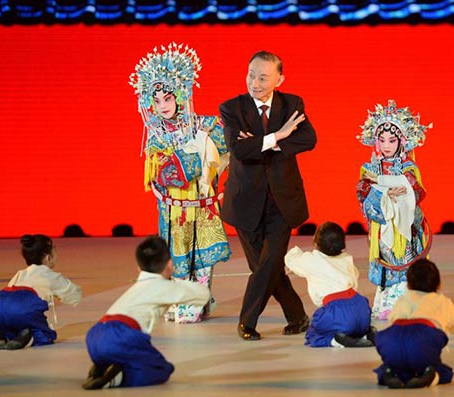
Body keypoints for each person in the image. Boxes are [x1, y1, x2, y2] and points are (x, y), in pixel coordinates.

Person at [129, 42, 231, 323]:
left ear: (181, 96)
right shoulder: (155, 135)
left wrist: (212, 163)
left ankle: (196, 303)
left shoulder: (205, 124)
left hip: (200, 202)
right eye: (157, 100)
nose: (163, 106)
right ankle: (184, 301)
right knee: (178, 255)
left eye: (168, 99)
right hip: (173, 208)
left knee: (202, 257)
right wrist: (194, 156)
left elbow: (228, 147)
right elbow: (162, 174)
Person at [219, 50, 317, 340]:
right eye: (251, 75)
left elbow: (308, 139)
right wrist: (279, 136)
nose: (255, 83)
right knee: (265, 267)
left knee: (270, 260)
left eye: (263, 77)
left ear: (279, 79)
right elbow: (239, 150)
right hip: (245, 200)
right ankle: (298, 317)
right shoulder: (232, 108)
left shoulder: (292, 104)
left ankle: (246, 322)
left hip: (282, 200)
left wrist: (264, 144)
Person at [82, 235, 210, 390]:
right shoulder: (165, 286)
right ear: (169, 264)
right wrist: (174, 280)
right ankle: (118, 377)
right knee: (161, 369)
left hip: (95, 336)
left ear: (138, 268)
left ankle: (103, 367)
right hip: (121, 336)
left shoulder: (137, 286)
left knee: (132, 355)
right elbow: (203, 294)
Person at [356, 100, 432, 320]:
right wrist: (381, 194)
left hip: (404, 227)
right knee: (386, 260)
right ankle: (386, 302)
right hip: (381, 226)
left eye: (392, 140)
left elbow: (417, 191)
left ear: (401, 141)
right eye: (382, 140)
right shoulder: (369, 168)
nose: (386, 145)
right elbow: (362, 191)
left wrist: (398, 188)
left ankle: (404, 303)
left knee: (403, 260)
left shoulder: (409, 167)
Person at [374, 258, 454, 389]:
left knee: (391, 365)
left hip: (393, 341)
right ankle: (431, 376)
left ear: (408, 285)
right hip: (422, 343)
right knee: (444, 371)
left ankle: (388, 374)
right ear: (438, 284)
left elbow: (393, 320)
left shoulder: (403, 299)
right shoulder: (441, 301)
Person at [285, 222, 375, 348]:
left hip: (337, 311)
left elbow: (291, 259)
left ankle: (336, 341)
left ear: (316, 242)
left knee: (313, 332)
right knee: (351, 324)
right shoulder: (347, 259)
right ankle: (365, 333)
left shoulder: (311, 260)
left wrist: (295, 261)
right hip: (361, 308)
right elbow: (354, 281)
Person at [0, 234, 82, 349]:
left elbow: (10, 296)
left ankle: (2, 335)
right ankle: (31, 338)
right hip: (22, 306)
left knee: (13, 324)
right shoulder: (49, 275)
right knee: (46, 335)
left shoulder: (19, 273)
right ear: (48, 257)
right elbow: (75, 296)